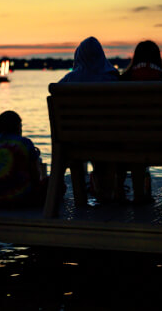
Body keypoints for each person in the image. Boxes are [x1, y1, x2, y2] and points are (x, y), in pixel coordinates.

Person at [59, 37, 119, 202]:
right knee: (105, 141)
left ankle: (80, 197)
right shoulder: (112, 79)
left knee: (86, 141)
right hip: (108, 141)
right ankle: (106, 193)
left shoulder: (68, 81)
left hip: (75, 141)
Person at [119, 40, 162, 204]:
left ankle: (127, 192)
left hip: (125, 143)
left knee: (134, 137)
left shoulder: (123, 80)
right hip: (160, 143)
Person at [0, 110, 48, 209]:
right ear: (17, 127)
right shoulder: (25, 142)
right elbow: (35, 177)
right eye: (21, 125)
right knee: (54, 185)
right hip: (20, 201)